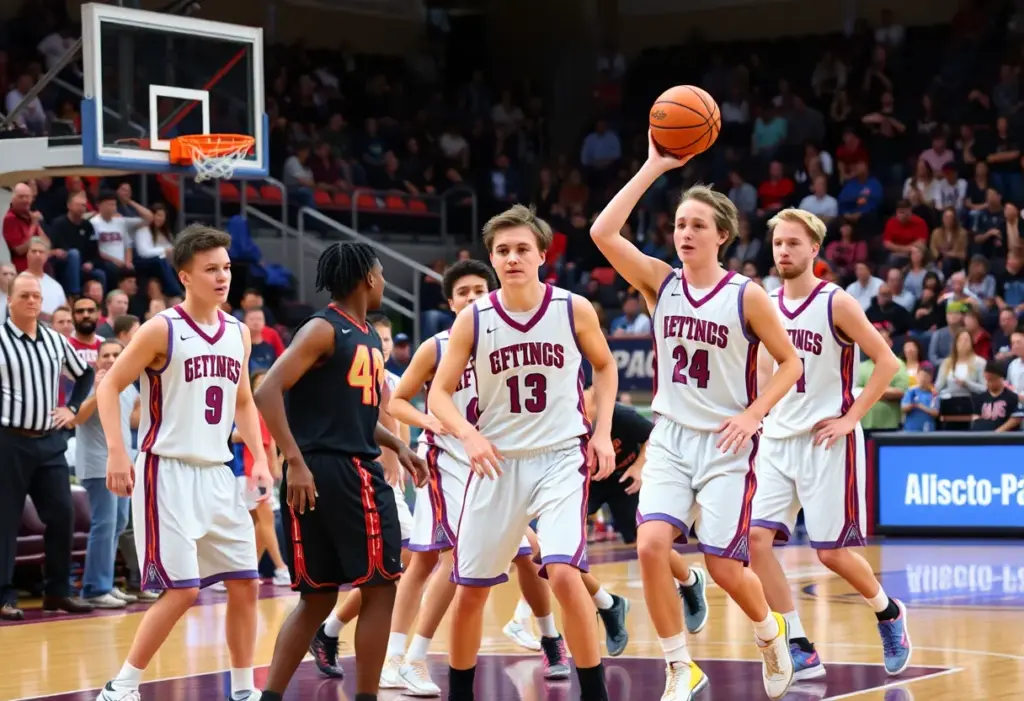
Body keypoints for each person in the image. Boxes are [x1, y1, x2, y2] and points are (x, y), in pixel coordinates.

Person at [589, 133, 803, 701]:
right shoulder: (662, 282)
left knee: (727, 567)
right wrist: (653, 164)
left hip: (729, 444)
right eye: (680, 225)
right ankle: (680, 667)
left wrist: (755, 414)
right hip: (673, 438)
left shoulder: (748, 296)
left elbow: (790, 364)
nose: (684, 234)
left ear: (723, 236)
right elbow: (602, 233)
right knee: (651, 546)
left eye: (697, 226)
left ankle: (769, 630)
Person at [311, 260, 574, 694]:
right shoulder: (437, 346)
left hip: (494, 466)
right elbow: (397, 402)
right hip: (448, 462)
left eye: (478, 291)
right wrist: (428, 424)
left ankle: (547, 637)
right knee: (454, 559)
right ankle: (411, 658)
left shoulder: (509, 338)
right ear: (450, 302)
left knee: (429, 561)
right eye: (463, 292)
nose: (472, 298)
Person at [428, 205, 619, 701]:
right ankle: (461, 693)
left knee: (562, 572)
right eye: (502, 251)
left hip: (559, 455)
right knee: (471, 589)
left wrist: (601, 433)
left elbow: (605, 367)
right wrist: (468, 435)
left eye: (521, 250)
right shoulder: (474, 318)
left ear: (541, 254)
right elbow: (437, 395)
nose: (512, 258)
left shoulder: (572, 307)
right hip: (499, 460)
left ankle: (593, 691)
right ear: (492, 258)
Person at [96, 225, 273, 701]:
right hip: (166, 470)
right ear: (185, 276)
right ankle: (121, 684)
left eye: (227, 268)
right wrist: (117, 449)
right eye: (211, 269)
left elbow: (243, 402)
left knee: (245, 582)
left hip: (219, 472)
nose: (222, 277)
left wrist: (257, 457)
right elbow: (109, 386)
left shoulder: (238, 332)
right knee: (184, 591)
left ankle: (241, 689)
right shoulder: (162, 329)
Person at [253, 242, 428, 701]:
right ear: (368, 279)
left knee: (317, 597)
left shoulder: (366, 332)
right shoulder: (322, 329)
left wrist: (397, 446)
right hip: (339, 472)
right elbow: (267, 392)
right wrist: (294, 460)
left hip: (325, 469)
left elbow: (355, 413)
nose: (385, 281)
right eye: (382, 273)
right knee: (380, 588)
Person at [748, 208, 913, 682]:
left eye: (793, 243)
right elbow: (764, 366)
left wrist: (850, 419)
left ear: (814, 249)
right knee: (756, 543)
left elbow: (886, 363)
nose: (783, 250)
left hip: (826, 440)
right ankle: (800, 644)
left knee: (831, 553)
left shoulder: (835, 302)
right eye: (778, 242)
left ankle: (888, 614)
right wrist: (758, 412)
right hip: (778, 439)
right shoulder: (765, 303)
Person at [0, 273, 96, 622]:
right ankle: (5, 595)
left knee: (62, 514)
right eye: (24, 295)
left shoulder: (56, 341)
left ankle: (57, 590)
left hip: (49, 442)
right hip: (8, 441)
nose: (32, 301)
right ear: (10, 300)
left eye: (37, 296)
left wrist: (71, 408)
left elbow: (85, 374)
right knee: (5, 521)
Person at [73, 340, 141, 608]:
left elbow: (132, 419)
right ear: (97, 359)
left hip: (123, 465)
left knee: (119, 522)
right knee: (105, 524)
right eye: (106, 355)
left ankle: (106, 583)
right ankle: (94, 588)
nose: (112, 359)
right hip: (98, 465)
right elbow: (76, 417)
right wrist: (96, 393)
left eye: (117, 354)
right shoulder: (91, 382)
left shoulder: (125, 385)